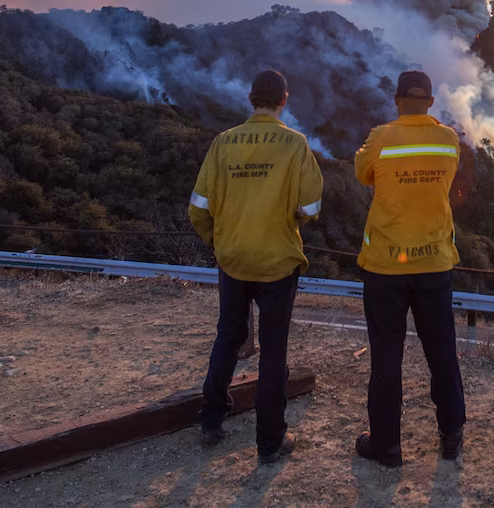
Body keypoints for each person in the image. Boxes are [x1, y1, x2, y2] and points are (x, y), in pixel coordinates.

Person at [189, 69, 324, 465]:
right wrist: (288, 220)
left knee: (228, 336)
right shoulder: (295, 144)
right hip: (277, 261)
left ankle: (211, 419)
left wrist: (219, 241)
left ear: (251, 99)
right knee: (273, 349)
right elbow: (310, 207)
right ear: (284, 100)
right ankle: (270, 441)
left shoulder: (223, 143)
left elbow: (198, 208)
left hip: (232, 259)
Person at [352, 70, 474, 468]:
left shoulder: (381, 137)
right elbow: (446, 179)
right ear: (431, 103)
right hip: (435, 263)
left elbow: (361, 173)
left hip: (386, 266)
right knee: (441, 351)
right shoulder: (448, 139)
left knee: (386, 356)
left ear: (397, 99)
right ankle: (452, 432)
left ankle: (386, 445)